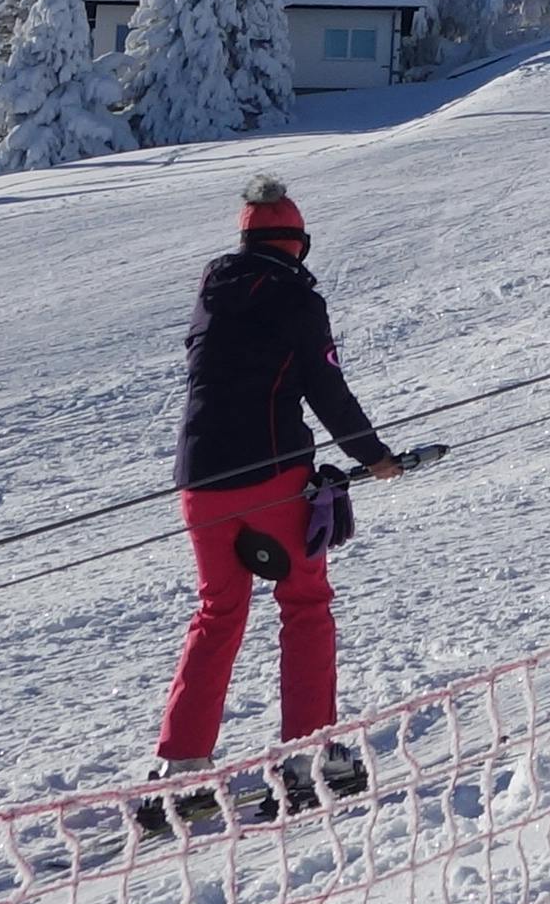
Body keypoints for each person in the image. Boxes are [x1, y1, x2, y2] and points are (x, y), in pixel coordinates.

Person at [146, 176, 405, 831]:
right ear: (296, 243)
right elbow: (326, 388)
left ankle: (182, 771)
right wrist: (374, 455)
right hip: (269, 475)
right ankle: (308, 757)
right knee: (305, 602)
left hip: (199, 481)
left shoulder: (212, 291)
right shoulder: (296, 296)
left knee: (219, 611)